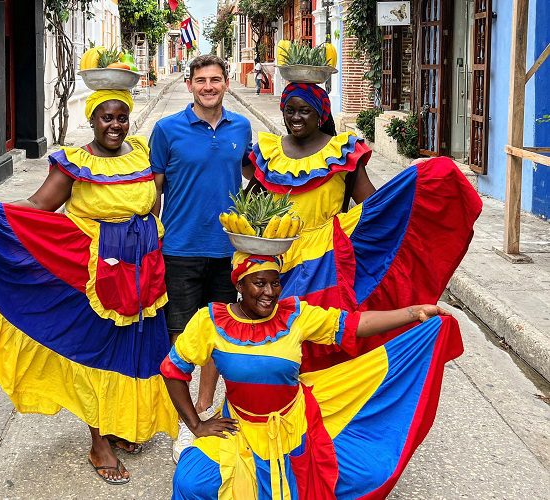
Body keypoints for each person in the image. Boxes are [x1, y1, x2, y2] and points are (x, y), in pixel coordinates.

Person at [0, 89, 178, 485]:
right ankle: (99, 442)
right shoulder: (74, 163)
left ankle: (121, 423)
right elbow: (39, 207)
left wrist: (147, 237)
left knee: (136, 347)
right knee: (97, 352)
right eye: (106, 118)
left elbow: (152, 202)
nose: (115, 125)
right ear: (92, 120)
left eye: (122, 117)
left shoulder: (142, 153)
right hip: (92, 276)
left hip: (144, 272)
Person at [161, 252, 463, 498]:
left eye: (275, 283)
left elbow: (353, 325)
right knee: (191, 481)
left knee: (363, 471)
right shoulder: (210, 321)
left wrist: (413, 313)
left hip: (295, 424)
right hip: (240, 426)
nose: (269, 293)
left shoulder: (295, 315)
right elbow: (173, 370)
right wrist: (196, 424)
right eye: (259, 283)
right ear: (239, 285)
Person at [248, 82, 483, 371]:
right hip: (276, 255)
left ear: (321, 114)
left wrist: (409, 190)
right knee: (272, 331)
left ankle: (319, 396)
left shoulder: (342, 152)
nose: (296, 117)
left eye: (305, 111)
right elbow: (250, 203)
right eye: (290, 110)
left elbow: (371, 203)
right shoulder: (268, 152)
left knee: (318, 334)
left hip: (325, 258)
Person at [149, 54, 254, 463]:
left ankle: (207, 409)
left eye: (215, 79)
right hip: (179, 249)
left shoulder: (241, 128)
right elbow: (152, 192)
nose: (208, 86)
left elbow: (258, 175)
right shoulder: (166, 130)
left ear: (226, 84)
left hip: (228, 251)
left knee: (221, 336)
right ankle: (184, 419)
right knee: (182, 339)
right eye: (201, 80)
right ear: (188, 85)